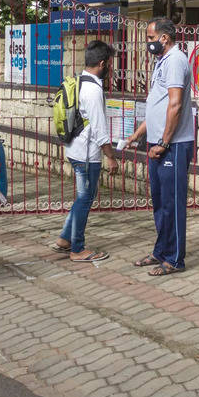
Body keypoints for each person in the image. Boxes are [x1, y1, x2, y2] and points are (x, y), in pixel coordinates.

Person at [124, 17, 195, 276]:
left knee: (172, 203)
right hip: (157, 143)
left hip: (173, 145)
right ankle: (161, 250)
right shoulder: (162, 62)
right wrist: (138, 134)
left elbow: (175, 105)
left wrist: (164, 142)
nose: (149, 43)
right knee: (160, 202)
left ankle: (175, 258)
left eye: (151, 39)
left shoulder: (175, 61)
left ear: (164, 38)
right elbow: (158, 105)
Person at [52, 41, 119, 262]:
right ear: (102, 63)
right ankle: (78, 249)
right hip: (87, 155)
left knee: (82, 197)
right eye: (108, 64)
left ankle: (64, 239)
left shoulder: (78, 81)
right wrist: (111, 158)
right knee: (85, 199)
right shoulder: (93, 89)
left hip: (74, 149)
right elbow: (100, 131)